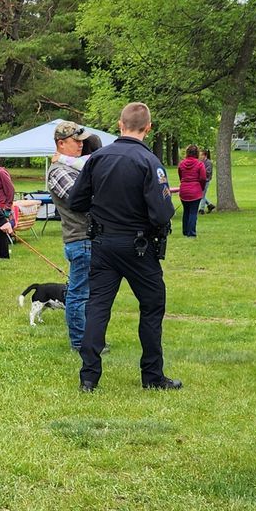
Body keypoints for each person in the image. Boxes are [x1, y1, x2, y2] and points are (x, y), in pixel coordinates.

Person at [67, 102, 180, 392]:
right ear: (148, 127)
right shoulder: (149, 162)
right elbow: (162, 212)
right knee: (152, 307)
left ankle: (89, 377)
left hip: (103, 244)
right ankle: (152, 376)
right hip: (138, 246)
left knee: (97, 308)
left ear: (120, 124)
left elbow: (77, 201)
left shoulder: (97, 158)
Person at [46, 122, 92, 352]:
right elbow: (81, 201)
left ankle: (89, 341)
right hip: (80, 239)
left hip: (88, 239)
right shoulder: (58, 172)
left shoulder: (72, 166)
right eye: (76, 141)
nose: (81, 145)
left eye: (82, 141)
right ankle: (79, 343)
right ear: (61, 143)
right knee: (78, 295)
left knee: (88, 294)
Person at [177, 146, 208, 237]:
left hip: (184, 189)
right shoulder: (199, 164)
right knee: (193, 212)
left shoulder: (181, 164)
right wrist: (201, 188)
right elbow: (203, 178)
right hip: (195, 190)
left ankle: (185, 231)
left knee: (186, 211)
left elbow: (180, 176)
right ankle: (191, 233)